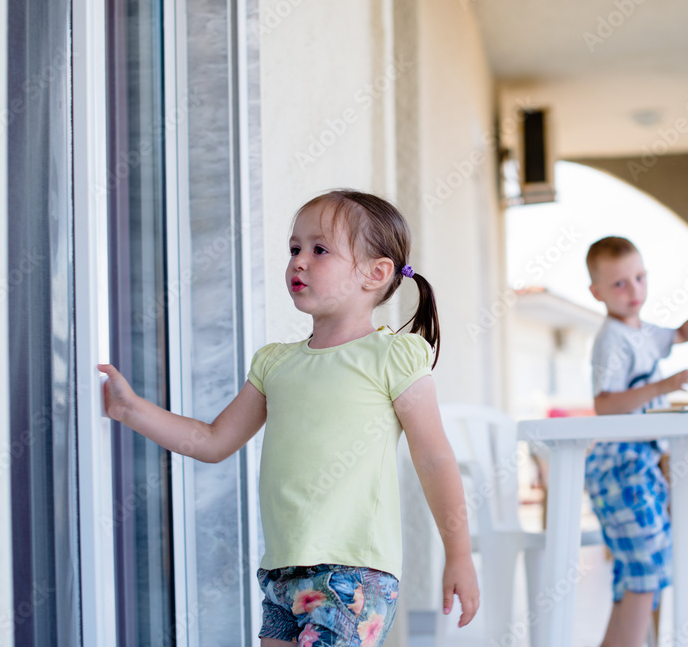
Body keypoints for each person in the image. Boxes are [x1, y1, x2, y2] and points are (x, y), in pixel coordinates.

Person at [98, 189, 479, 647]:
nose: (299, 261)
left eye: (319, 250)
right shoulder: (274, 364)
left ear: (375, 274)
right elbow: (213, 440)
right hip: (280, 573)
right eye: (294, 249)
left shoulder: (392, 356)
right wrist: (130, 409)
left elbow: (435, 458)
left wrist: (458, 554)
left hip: (351, 575)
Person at [584, 236, 688, 647]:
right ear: (597, 292)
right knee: (644, 570)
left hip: (641, 464)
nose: (634, 291)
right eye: (619, 284)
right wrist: (663, 384)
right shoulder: (612, 338)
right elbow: (605, 404)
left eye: (639, 278)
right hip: (619, 466)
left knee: (639, 572)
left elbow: (680, 333)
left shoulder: (643, 331)